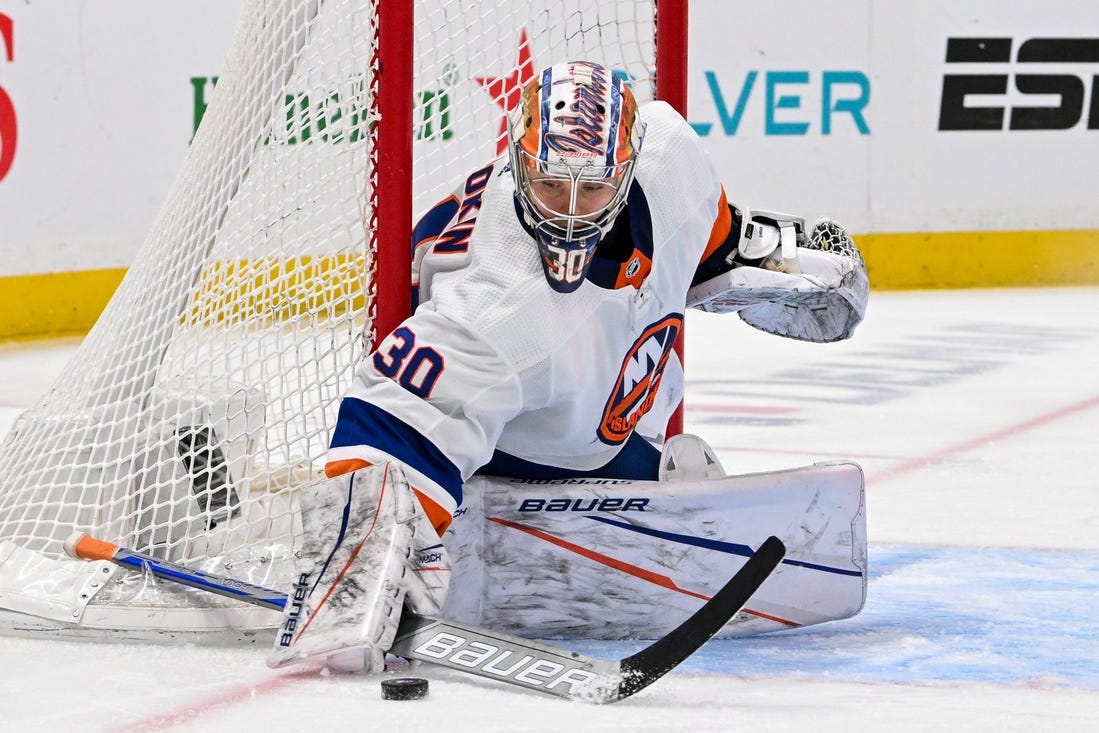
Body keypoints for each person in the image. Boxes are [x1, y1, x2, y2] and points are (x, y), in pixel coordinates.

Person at [268, 60, 868, 673]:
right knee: (571, 447)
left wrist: (770, 257)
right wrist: (361, 559)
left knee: (635, 438)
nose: (571, 213)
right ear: (520, 167)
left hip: (592, 409)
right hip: (506, 435)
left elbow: (702, 230)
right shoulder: (501, 310)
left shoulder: (667, 148)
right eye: (551, 186)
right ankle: (457, 504)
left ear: (631, 168)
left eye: (594, 189)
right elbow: (391, 413)